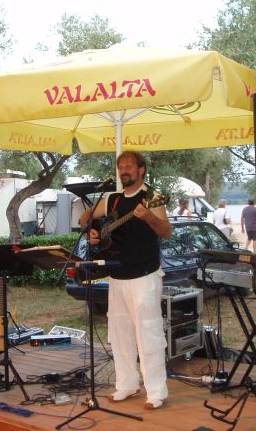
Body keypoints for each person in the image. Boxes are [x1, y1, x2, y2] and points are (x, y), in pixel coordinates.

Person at [79, 151, 171, 411]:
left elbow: (166, 231)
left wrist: (149, 217)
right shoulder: (113, 199)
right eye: (121, 167)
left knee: (148, 334)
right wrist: (91, 230)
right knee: (120, 335)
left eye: (129, 166)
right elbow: (85, 216)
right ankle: (127, 384)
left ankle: (156, 391)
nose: (124, 170)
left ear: (141, 170)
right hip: (117, 276)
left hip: (144, 276)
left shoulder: (152, 196)